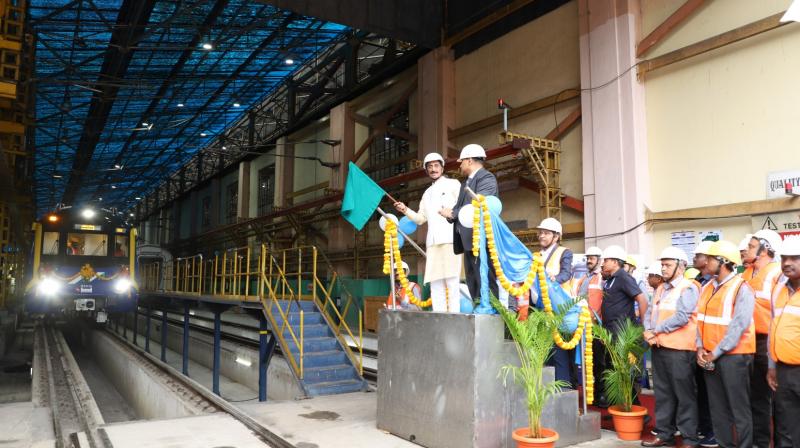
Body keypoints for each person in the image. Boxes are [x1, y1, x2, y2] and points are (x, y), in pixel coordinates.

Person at [696, 240, 755, 448]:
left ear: (724, 262)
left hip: (734, 357)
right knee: (718, 408)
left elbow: (738, 326)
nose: (706, 262)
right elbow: (700, 320)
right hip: (710, 355)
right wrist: (700, 347)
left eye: (711, 259)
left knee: (739, 409)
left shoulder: (741, 288)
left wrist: (715, 352)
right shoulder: (707, 287)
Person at [642, 247, 701, 447]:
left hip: (680, 350)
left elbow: (682, 317)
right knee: (663, 394)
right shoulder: (660, 288)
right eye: (662, 264)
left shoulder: (689, 287)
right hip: (660, 347)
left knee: (684, 395)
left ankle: (689, 438)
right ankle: (664, 434)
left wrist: (655, 330)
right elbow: (650, 312)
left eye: (667, 265)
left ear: (681, 266)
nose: (663, 269)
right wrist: (648, 330)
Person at [394, 153, 462, 312]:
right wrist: (405, 209)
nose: (433, 169)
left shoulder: (453, 184)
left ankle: (455, 316)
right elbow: (420, 219)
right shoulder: (427, 193)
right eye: (429, 167)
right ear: (426, 170)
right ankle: (438, 316)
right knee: (435, 283)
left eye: (436, 165)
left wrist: (452, 212)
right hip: (432, 242)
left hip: (451, 239)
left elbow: (463, 207)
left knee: (452, 282)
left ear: (442, 168)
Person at [741, 229, 783, 448]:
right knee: (756, 396)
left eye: (751, 246)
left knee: (776, 398)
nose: (746, 249)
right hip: (747, 341)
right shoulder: (746, 273)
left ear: (764, 249)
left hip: (768, 341)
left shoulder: (777, 273)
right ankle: (760, 442)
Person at [441, 144, 499, 300]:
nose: (460, 165)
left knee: (485, 278)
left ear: (469, 161)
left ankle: (492, 310)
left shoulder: (487, 178)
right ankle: (478, 307)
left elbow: (479, 203)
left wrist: (453, 213)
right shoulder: (465, 184)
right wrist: (449, 213)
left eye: (462, 161)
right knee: (472, 279)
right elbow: (458, 208)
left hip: (480, 238)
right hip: (467, 240)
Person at [595, 245, 649, 407]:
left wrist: (644, 325)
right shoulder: (610, 280)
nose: (603, 263)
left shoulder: (624, 277)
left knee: (624, 371)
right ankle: (618, 407)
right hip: (611, 333)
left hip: (623, 334)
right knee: (614, 370)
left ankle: (634, 408)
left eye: (606, 260)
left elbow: (642, 299)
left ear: (615, 262)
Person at [767, 237, 800, 448]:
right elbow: (773, 328)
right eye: (784, 258)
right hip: (784, 370)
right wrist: (772, 366)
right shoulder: (779, 290)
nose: (787, 263)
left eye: (794, 258)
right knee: (786, 427)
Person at [533, 217, 574, 386]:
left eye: (546, 233)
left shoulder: (565, 252)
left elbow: (566, 273)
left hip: (559, 309)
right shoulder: (536, 255)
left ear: (556, 236)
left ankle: (562, 389)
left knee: (559, 354)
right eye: (540, 233)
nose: (541, 236)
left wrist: (554, 279)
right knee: (545, 352)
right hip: (540, 309)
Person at [692, 240, 717, 446]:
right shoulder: (698, 280)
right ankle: (703, 425)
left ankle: (714, 431)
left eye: (699, 255)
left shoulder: (715, 283)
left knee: (713, 393)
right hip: (699, 342)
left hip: (715, 345)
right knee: (700, 388)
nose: (695, 258)